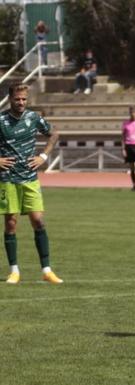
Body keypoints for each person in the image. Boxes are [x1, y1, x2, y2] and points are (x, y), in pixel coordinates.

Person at [0, 84, 62, 284]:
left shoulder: (33, 118)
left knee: (38, 222)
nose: (21, 102)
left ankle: (46, 270)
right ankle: (14, 271)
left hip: (30, 178)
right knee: (11, 223)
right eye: (17, 99)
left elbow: (54, 133)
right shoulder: (1, 120)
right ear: (10, 99)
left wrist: (43, 156)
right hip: (7, 178)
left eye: (24, 99)